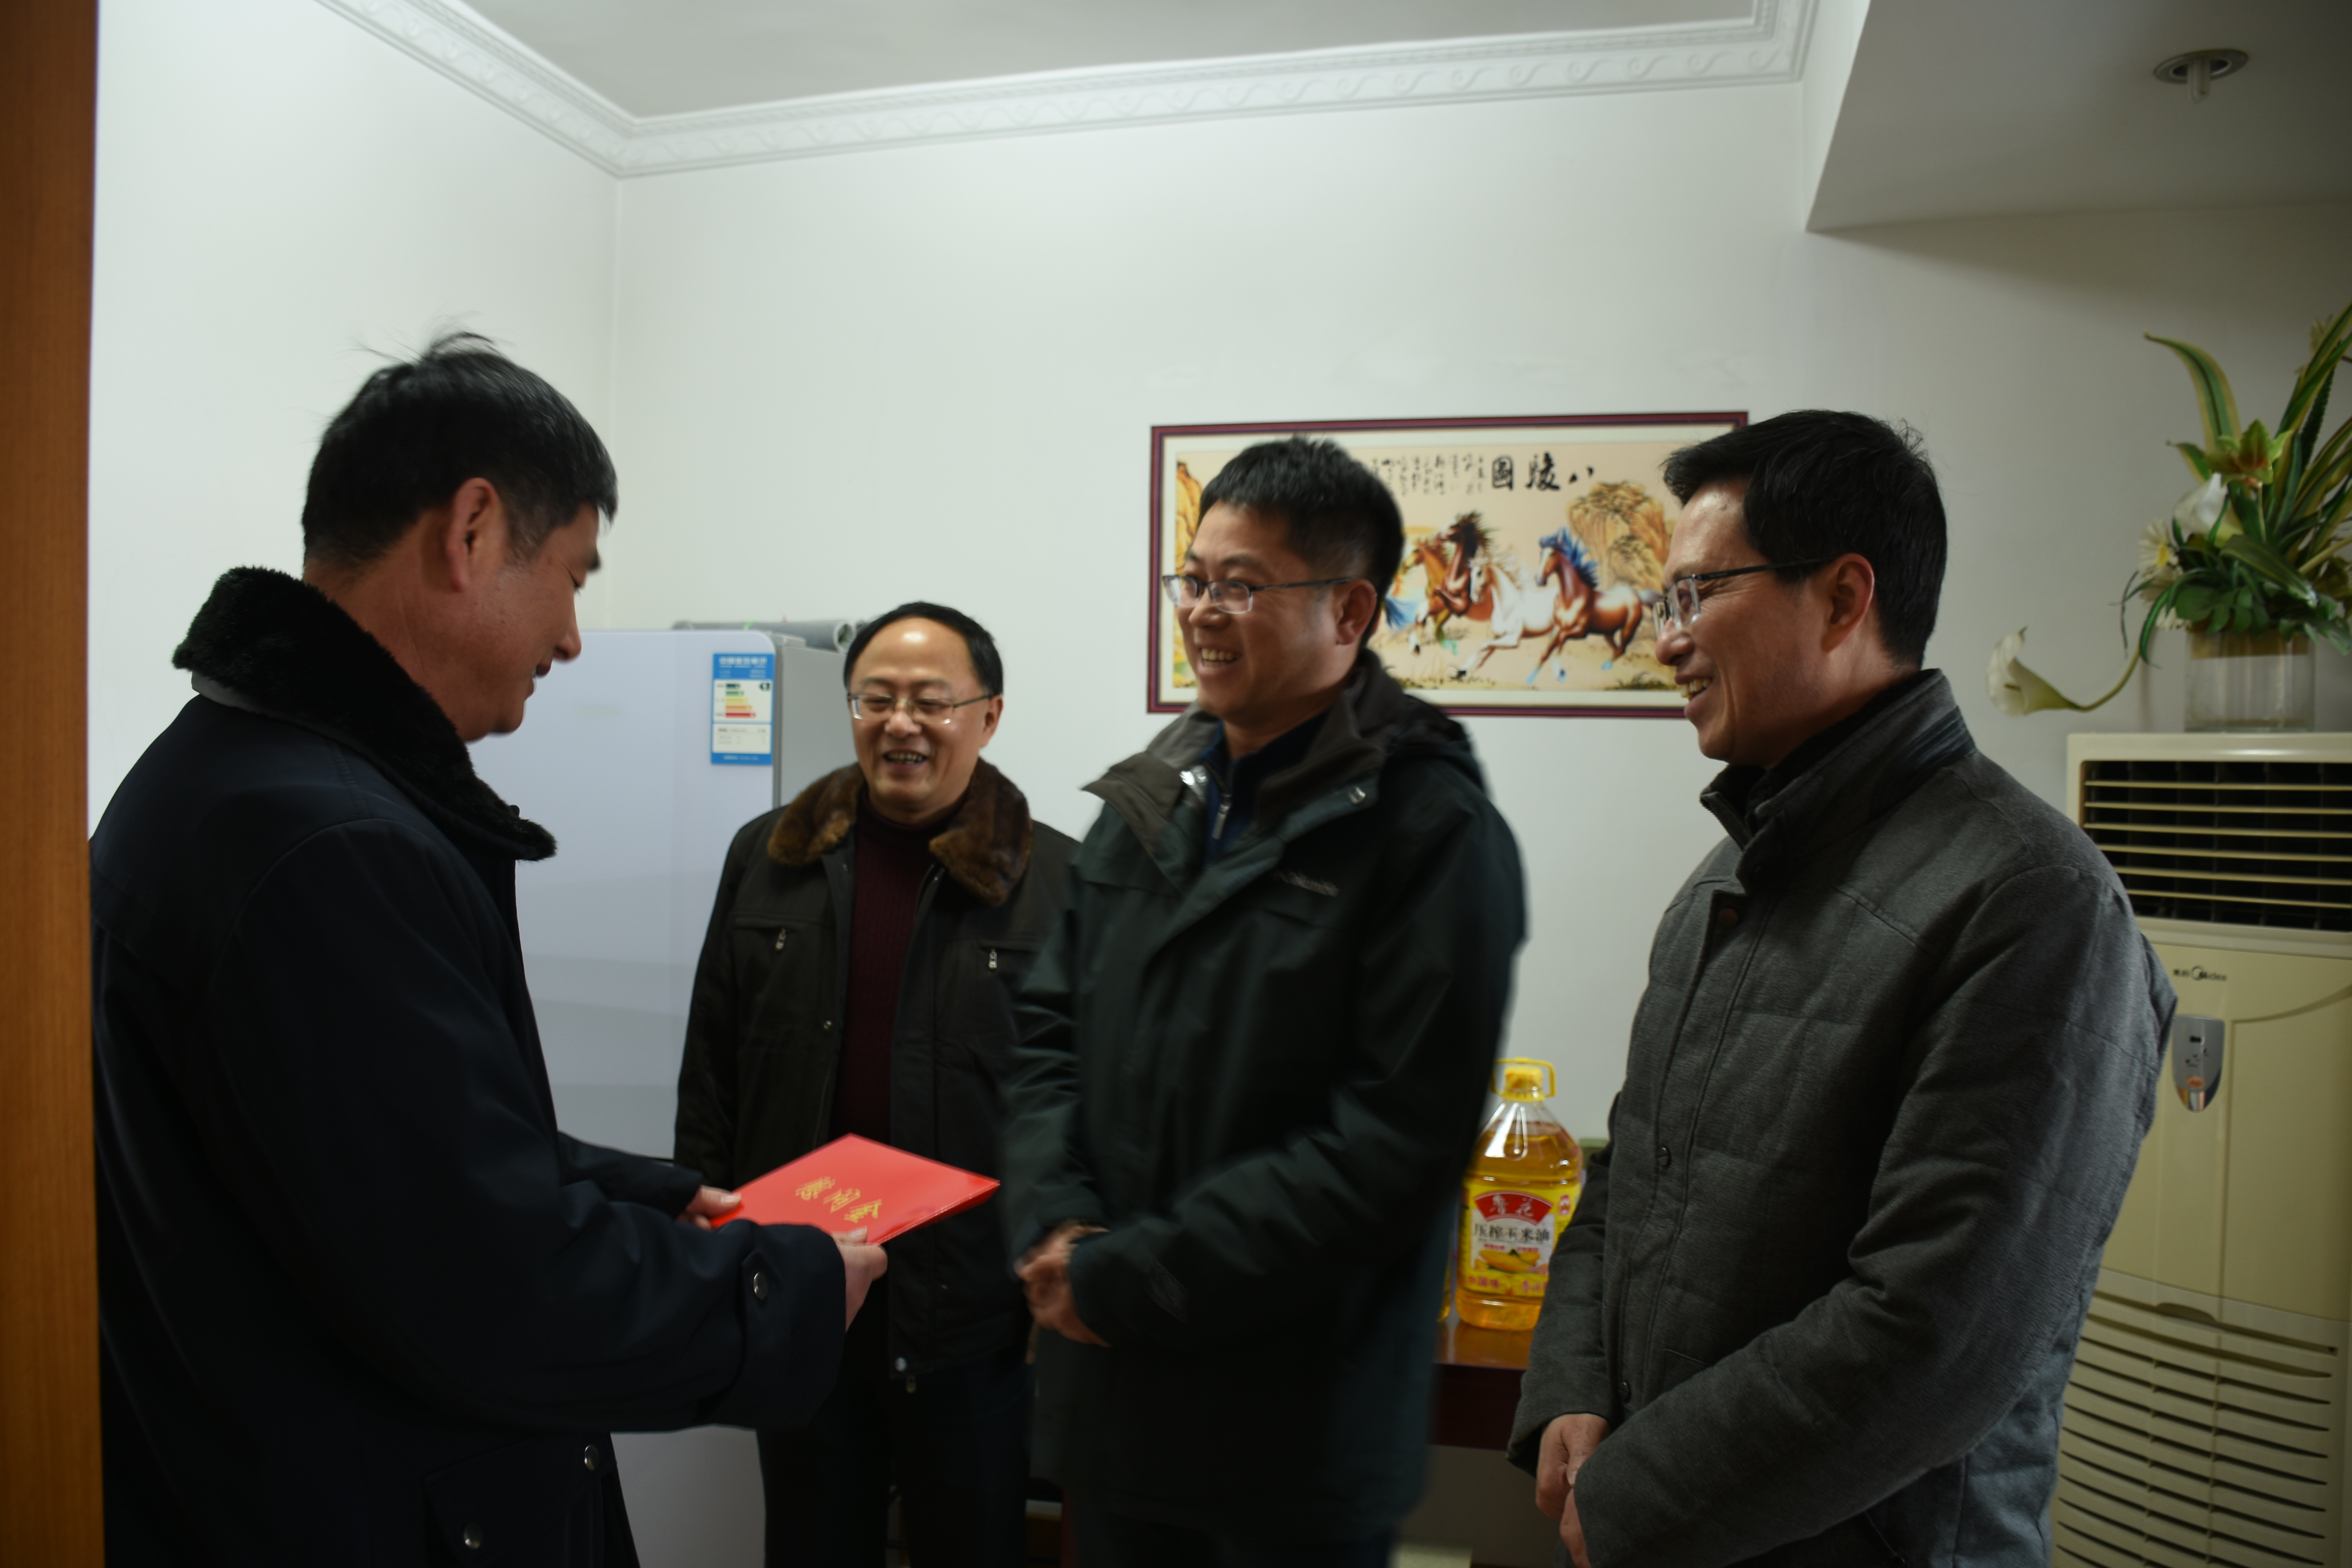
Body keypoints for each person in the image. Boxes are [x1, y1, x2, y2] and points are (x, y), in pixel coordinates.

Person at [90, 333, 886, 1567]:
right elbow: (488, 1282)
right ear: (471, 532)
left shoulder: (224, 777)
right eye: (572, 576)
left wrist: (645, 1196)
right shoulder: (330, 848)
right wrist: (783, 1294)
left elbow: (396, 1154)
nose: (572, 638)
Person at [1508, 411, 2174, 1568]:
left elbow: (1934, 1334)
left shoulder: (2034, 901)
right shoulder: (1727, 876)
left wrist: (1638, 1496)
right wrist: (1572, 1386)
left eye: (1696, 593)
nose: (1667, 640)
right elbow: (1626, 1174)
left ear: (1843, 597)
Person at [1000, 436, 1528, 1564]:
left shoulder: (1431, 830)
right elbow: (1049, 1029)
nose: (1202, 611)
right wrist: (1055, 1219)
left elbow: (1393, 1143)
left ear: (1350, 610)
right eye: (1193, 579)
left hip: (1291, 1444)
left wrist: (1132, 1276)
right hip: (1117, 1412)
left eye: (1241, 585)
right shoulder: (1151, 801)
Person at [673, 602, 1077, 1566]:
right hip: (803, 1291)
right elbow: (714, 1057)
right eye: (877, 699)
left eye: (932, 701)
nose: (902, 723)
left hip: (972, 1312)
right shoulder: (769, 856)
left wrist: (1066, 1249)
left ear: (989, 715)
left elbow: (1090, 1093)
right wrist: (699, 1223)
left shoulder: (1060, 878)